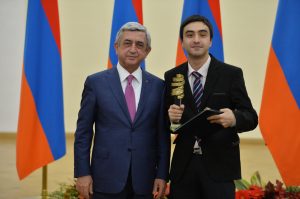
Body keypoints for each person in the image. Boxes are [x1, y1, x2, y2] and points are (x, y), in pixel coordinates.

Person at [164, 15, 258, 199]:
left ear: (211, 41)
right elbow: (163, 122)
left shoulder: (231, 74)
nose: (196, 39)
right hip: (183, 168)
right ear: (182, 42)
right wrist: (169, 118)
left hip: (220, 167)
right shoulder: (172, 76)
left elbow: (251, 117)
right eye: (189, 35)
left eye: (202, 34)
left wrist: (234, 118)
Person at [74, 22, 170, 199]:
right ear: (116, 47)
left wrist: (162, 174)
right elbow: (83, 133)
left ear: (147, 51)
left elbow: (162, 136)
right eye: (127, 43)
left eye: (139, 45)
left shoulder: (159, 86)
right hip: (105, 178)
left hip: (145, 180)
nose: (133, 49)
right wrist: (82, 173)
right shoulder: (96, 83)